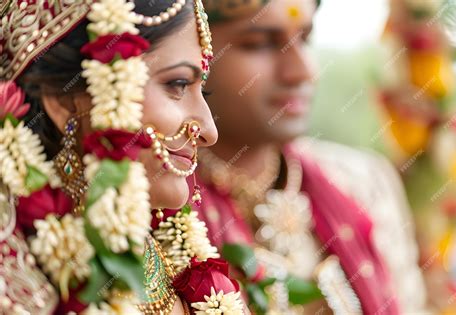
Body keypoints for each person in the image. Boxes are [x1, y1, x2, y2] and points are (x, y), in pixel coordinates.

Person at [192, 0, 429, 313]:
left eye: (305, 38)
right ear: (192, 56)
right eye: (260, 43)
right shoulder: (153, 203)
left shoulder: (365, 183)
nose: (303, 71)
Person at [0, 0, 220, 313]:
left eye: (204, 91)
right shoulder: (15, 287)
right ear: (67, 102)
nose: (209, 131)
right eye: (178, 84)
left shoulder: (182, 262)